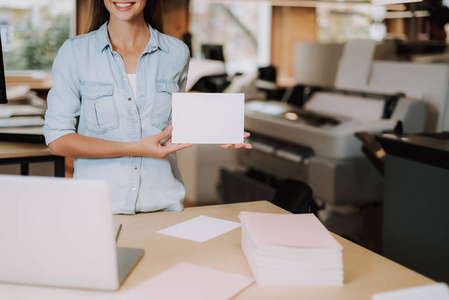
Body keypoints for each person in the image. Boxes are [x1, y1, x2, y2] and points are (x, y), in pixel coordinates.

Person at [43, 0, 251, 214]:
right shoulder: (75, 52)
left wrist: (216, 129)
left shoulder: (177, 53)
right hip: (97, 210)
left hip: (163, 208)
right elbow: (58, 141)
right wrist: (134, 148)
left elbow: (173, 125)